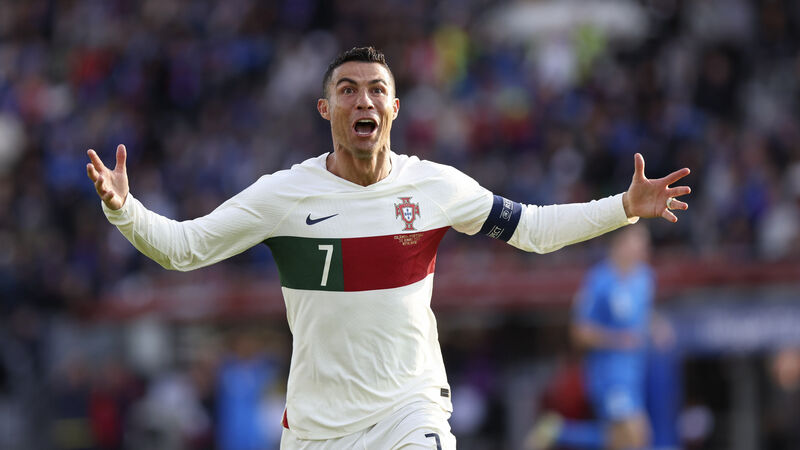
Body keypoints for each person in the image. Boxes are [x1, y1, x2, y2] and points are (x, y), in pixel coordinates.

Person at [86, 47, 690, 449]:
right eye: (348, 90)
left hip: (410, 411)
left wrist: (622, 206)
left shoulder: (435, 186)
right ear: (326, 108)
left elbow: (531, 228)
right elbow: (185, 249)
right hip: (318, 430)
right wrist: (124, 209)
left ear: (395, 108)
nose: (364, 100)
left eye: (377, 90)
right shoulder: (282, 195)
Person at [527, 225, 658, 450]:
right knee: (637, 435)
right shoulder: (599, 280)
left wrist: (658, 327)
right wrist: (618, 340)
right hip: (608, 374)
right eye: (637, 241)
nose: (643, 248)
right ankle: (559, 432)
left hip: (634, 371)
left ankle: (560, 432)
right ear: (619, 243)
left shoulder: (645, 278)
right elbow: (579, 332)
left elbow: (641, 316)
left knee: (618, 441)